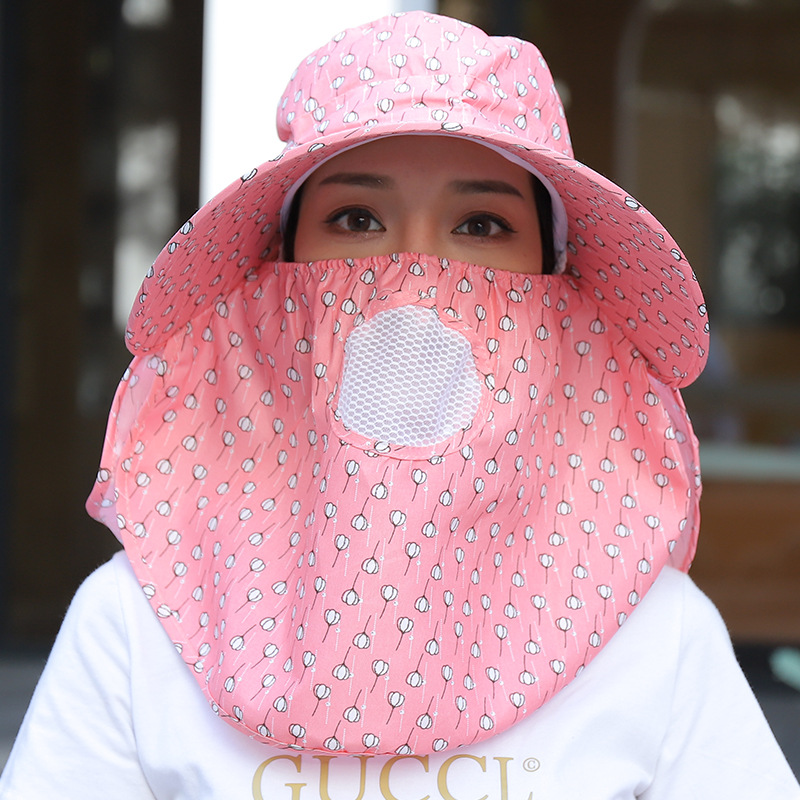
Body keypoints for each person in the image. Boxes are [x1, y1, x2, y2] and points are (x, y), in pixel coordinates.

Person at [2, 10, 798, 799]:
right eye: (356, 219)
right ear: (279, 275)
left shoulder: (655, 634)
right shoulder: (138, 621)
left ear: (556, 289)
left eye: (481, 223)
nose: (415, 271)